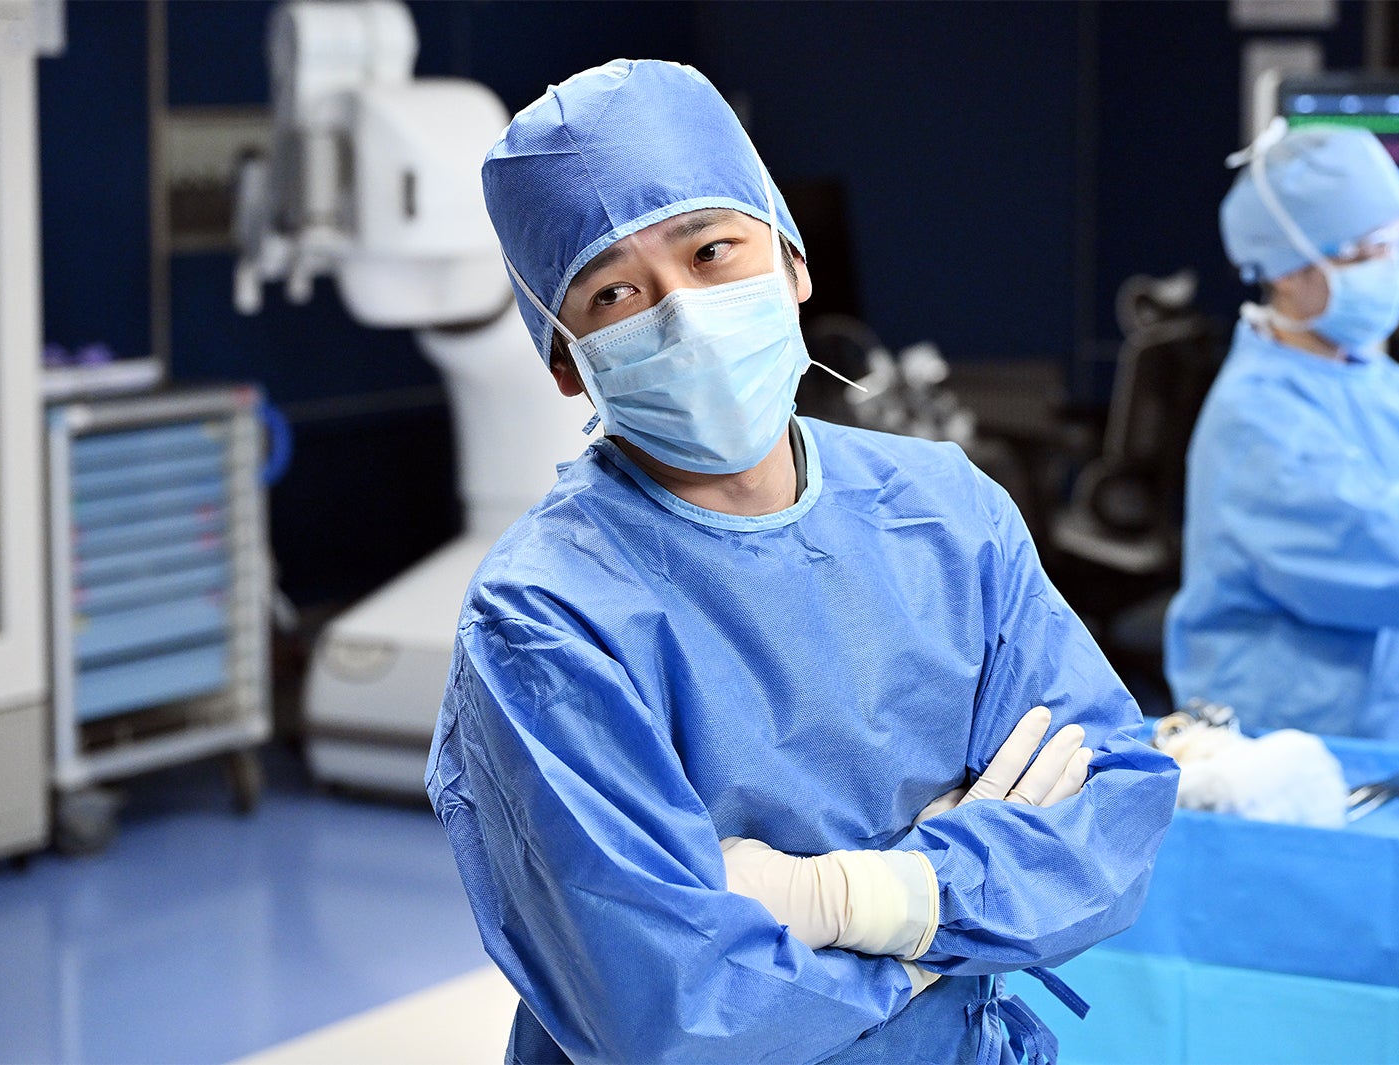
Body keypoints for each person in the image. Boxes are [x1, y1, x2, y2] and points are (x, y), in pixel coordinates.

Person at [427, 59, 1177, 1064]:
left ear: (792, 262)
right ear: (567, 359)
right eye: (615, 292)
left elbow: (1114, 809)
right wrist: (946, 927)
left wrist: (846, 899)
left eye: (711, 250)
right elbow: (674, 1009)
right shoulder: (544, 620)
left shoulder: (947, 516)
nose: (683, 314)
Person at [1165, 121, 1399, 746]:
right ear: (1287, 270)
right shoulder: (1256, 423)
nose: (1391, 268)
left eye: (1397, 244)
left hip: (1386, 737)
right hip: (1279, 749)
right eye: (1367, 252)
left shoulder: (1377, 383)